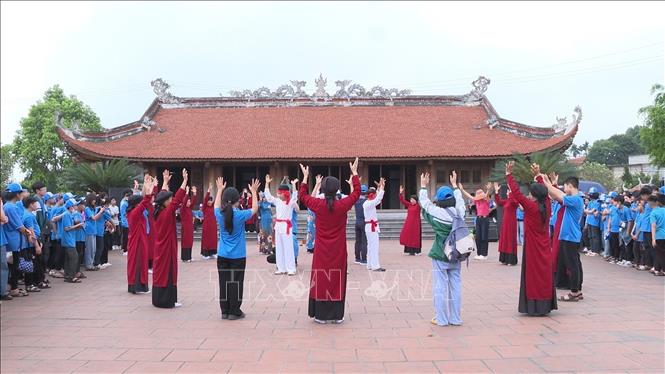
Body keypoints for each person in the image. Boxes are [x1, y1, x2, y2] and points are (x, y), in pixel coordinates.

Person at [298, 158, 361, 324]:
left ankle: (321, 314)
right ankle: (336, 315)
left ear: (323, 190)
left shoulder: (318, 204)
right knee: (336, 279)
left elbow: (302, 196)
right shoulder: (342, 205)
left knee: (322, 279)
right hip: (338, 249)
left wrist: (305, 178)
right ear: (338, 190)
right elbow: (356, 194)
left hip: (321, 249)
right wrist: (355, 174)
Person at [506, 162, 557, 315]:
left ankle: (534, 306)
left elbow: (516, 193)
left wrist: (509, 175)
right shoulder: (547, 205)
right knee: (544, 274)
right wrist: (539, 174)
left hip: (533, 247)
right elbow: (544, 192)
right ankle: (545, 304)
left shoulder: (531, 207)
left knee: (533, 275)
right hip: (545, 246)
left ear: (534, 196)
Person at [419, 171, 466, 326]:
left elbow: (424, 203)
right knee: (456, 285)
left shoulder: (437, 213)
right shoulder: (460, 212)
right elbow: (460, 200)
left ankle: (441, 319)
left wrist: (423, 186)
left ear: (438, 200)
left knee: (440, 285)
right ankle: (455, 318)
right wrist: (455, 185)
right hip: (457, 253)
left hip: (441, 253)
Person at [215, 176, 260, 320]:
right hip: (238, 256)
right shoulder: (240, 215)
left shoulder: (219, 214)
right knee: (236, 283)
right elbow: (254, 208)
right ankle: (234, 311)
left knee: (223, 282)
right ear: (238, 200)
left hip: (222, 254)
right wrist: (253, 191)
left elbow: (216, 206)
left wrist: (219, 190)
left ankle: (224, 311)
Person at [541, 170, 584, 302]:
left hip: (570, 237)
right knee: (573, 263)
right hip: (569, 236)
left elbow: (558, 196)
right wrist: (549, 183)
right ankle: (577, 291)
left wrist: (544, 182)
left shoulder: (575, 200)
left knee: (572, 265)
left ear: (570, 186)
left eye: (565, 186)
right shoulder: (574, 199)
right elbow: (557, 195)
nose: (564, 189)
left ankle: (574, 292)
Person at [152, 169, 188, 308]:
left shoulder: (159, 212)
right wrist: (184, 181)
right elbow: (178, 199)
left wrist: (165, 182)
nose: (172, 200)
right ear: (165, 202)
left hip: (161, 247)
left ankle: (161, 299)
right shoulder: (166, 213)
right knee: (168, 272)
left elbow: (161, 196)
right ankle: (167, 300)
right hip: (166, 248)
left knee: (161, 272)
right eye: (169, 199)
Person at [264, 175, 299, 275]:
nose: (278, 195)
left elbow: (295, 196)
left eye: (280, 193)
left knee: (288, 248)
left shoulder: (290, 202)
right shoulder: (277, 201)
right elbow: (268, 197)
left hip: (286, 226)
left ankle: (291, 268)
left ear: (285, 193)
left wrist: (294, 185)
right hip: (278, 226)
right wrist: (267, 183)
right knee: (279, 248)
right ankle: (281, 268)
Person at [127, 175, 156, 294]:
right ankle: (137, 286)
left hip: (140, 239)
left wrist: (146, 186)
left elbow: (143, 200)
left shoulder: (135, 211)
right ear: (135, 204)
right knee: (138, 263)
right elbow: (145, 201)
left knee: (140, 263)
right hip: (137, 241)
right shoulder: (134, 213)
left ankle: (139, 285)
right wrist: (149, 190)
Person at [459, 183, 491, 260]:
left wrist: (488, 190)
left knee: (484, 236)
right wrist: (462, 190)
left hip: (485, 219)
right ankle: (479, 253)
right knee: (478, 237)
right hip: (478, 219)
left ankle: (484, 254)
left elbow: (486, 196)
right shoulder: (476, 201)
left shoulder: (486, 200)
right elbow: (469, 196)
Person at [363, 179, 386, 272]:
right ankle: (375, 265)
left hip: (371, 227)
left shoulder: (369, 203)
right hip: (371, 227)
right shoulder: (368, 204)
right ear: (371, 195)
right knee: (374, 246)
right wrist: (382, 187)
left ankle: (370, 264)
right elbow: (378, 198)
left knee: (370, 246)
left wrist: (379, 188)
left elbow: (377, 199)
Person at [493, 182, 518, 266]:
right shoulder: (507, 201)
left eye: (508, 191)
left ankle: (511, 259)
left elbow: (514, 202)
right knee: (504, 239)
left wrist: (511, 192)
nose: (507, 192)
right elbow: (499, 202)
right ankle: (504, 258)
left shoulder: (514, 201)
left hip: (511, 223)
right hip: (505, 223)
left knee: (510, 239)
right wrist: (496, 192)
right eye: (507, 191)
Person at [61, 199, 84, 283]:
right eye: (74, 205)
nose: (75, 207)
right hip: (68, 240)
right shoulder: (67, 215)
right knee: (74, 257)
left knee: (68, 258)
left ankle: (68, 275)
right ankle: (71, 276)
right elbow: (67, 228)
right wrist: (78, 225)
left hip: (70, 239)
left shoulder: (69, 214)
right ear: (70, 207)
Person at [399, 185, 422, 256]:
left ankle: (416, 251)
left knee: (415, 237)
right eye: (411, 199)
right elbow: (402, 201)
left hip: (416, 224)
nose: (411, 201)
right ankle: (409, 250)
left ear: (416, 200)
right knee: (408, 236)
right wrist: (400, 193)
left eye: (413, 199)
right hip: (408, 223)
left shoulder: (418, 206)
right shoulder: (409, 205)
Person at [83, 194, 104, 271]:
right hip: (89, 230)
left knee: (94, 249)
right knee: (89, 249)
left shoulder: (93, 208)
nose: (95, 201)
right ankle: (88, 265)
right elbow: (94, 218)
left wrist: (100, 211)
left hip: (94, 230)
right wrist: (100, 212)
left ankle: (91, 264)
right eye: (93, 199)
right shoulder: (87, 208)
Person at [649, 193, 665, 276]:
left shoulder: (653, 213)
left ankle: (662, 270)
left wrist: (653, 238)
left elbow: (653, 226)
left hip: (659, 236)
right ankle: (658, 269)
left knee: (660, 254)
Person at [180, 185, 197, 262]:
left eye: (190, 201)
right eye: (188, 201)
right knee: (185, 242)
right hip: (185, 229)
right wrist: (187, 193)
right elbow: (184, 203)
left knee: (190, 242)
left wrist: (194, 194)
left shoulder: (189, 208)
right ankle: (185, 257)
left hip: (190, 228)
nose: (190, 202)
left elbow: (193, 201)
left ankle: (189, 257)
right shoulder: (183, 209)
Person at [200, 184, 217, 259]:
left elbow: (217, 200)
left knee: (213, 239)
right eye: (208, 201)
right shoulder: (204, 207)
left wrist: (219, 189)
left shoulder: (213, 207)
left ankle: (212, 253)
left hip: (213, 226)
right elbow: (205, 200)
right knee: (206, 240)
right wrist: (209, 190)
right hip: (206, 226)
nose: (210, 202)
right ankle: (205, 254)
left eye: (211, 200)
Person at [354, 184, 368, 265]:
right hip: (364, 222)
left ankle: (357, 258)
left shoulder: (356, 200)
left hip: (357, 221)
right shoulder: (367, 201)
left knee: (357, 241)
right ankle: (363, 259)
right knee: (364, 241)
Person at [119, 188, 131, 255]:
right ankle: (124, 249)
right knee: (125, 237)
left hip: (126, 221)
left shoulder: (125, 202)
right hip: (125, 222)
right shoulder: (124, 203)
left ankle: (126, 249)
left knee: (126, 236)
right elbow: (124, 213)